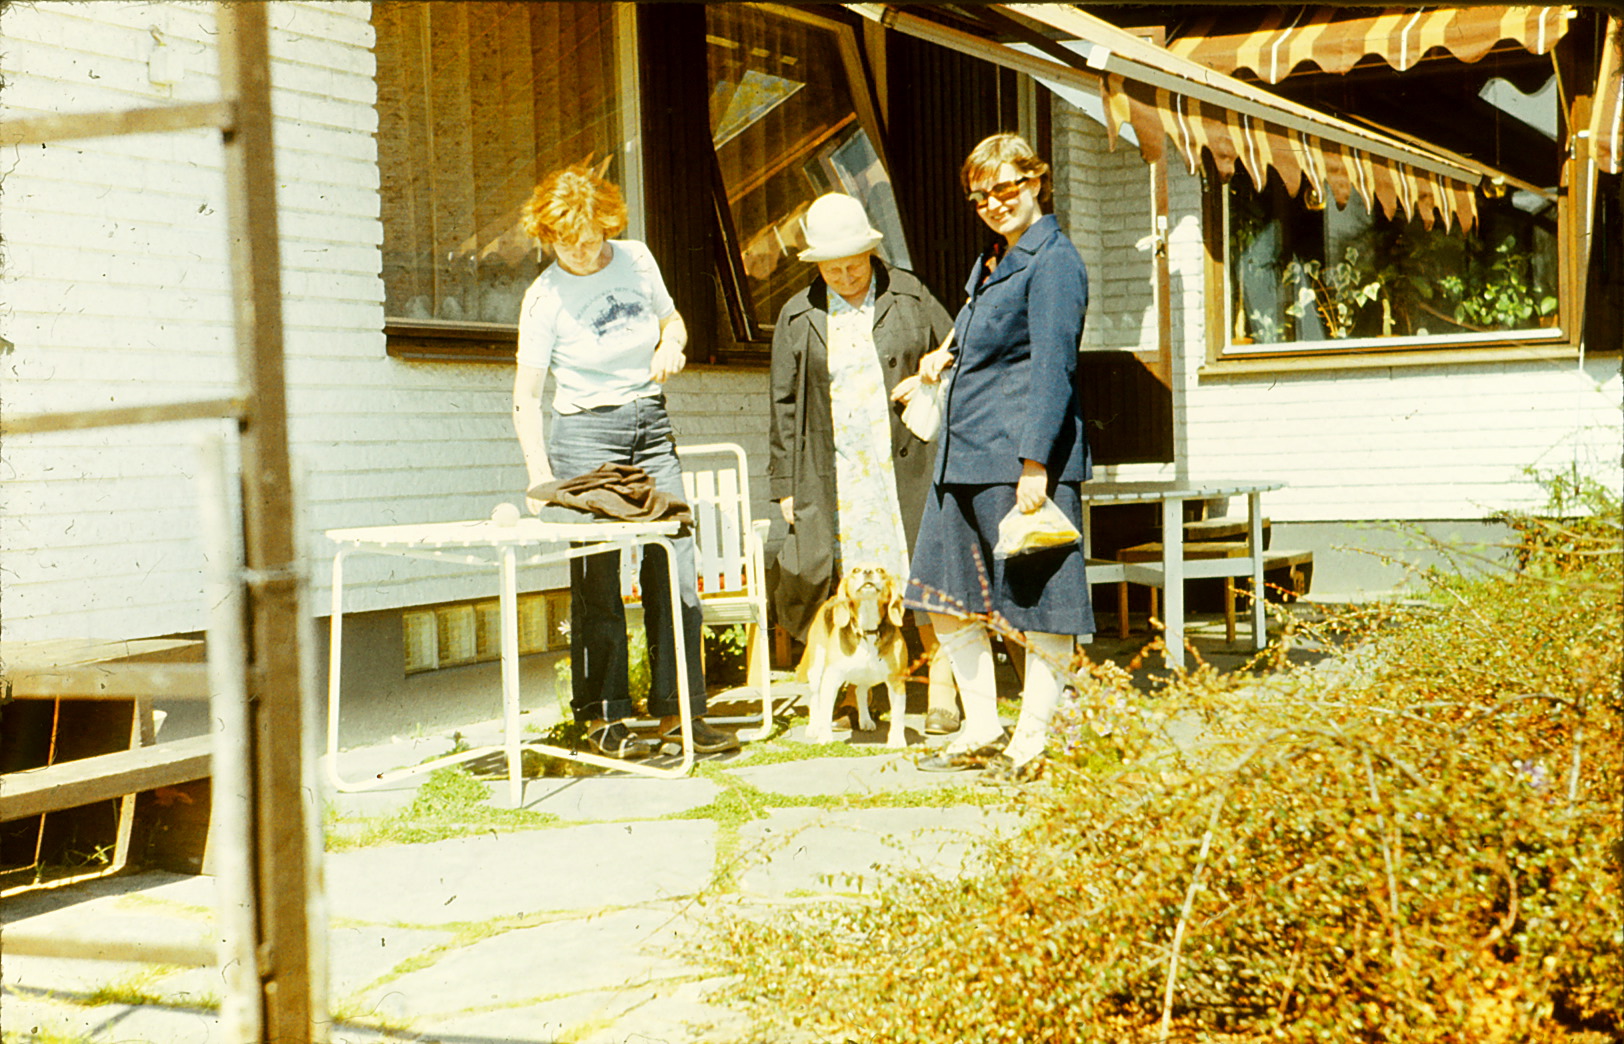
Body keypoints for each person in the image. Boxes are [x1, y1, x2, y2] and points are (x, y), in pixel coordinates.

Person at [512, 161, 738, 759]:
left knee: (675, 568)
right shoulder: (543, 299)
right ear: (547, 237)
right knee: (598, 583)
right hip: (585, 438)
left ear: (608, 224)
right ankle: (606, 721)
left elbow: (673, 321)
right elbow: (526, 397)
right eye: (567, 243)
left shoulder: (636, 259)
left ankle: (680, 715)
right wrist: (541, 477)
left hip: (650, 428)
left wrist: (671, 344)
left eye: (592, 240)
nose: (583, 253)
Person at [900, 133, 1094, 783]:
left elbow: (1053, 367)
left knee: (1041, 603)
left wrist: (1036, 463)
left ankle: (1033, 743)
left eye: (1005, 188)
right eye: (980, 196)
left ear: (1036, 182)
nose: (993, 203)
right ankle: (982, 728)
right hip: (963, 455)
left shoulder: (1054, 261)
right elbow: (985, 335)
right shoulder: (993, 258)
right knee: (946, 596)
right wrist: (944, 356)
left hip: (1016, 460)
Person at [768, 193, 960, 734]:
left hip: (905, 461)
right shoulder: (797, 314)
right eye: (832, 268)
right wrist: (784, 484)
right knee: (842, 578)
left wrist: (932, 367)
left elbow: (959, 347)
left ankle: (943, 692)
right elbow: (782, 403)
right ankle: (855, 691)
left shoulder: (909, 294)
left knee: (922, 570)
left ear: (871, 253)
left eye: (853, 265)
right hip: (835, 471)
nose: (845, 276)